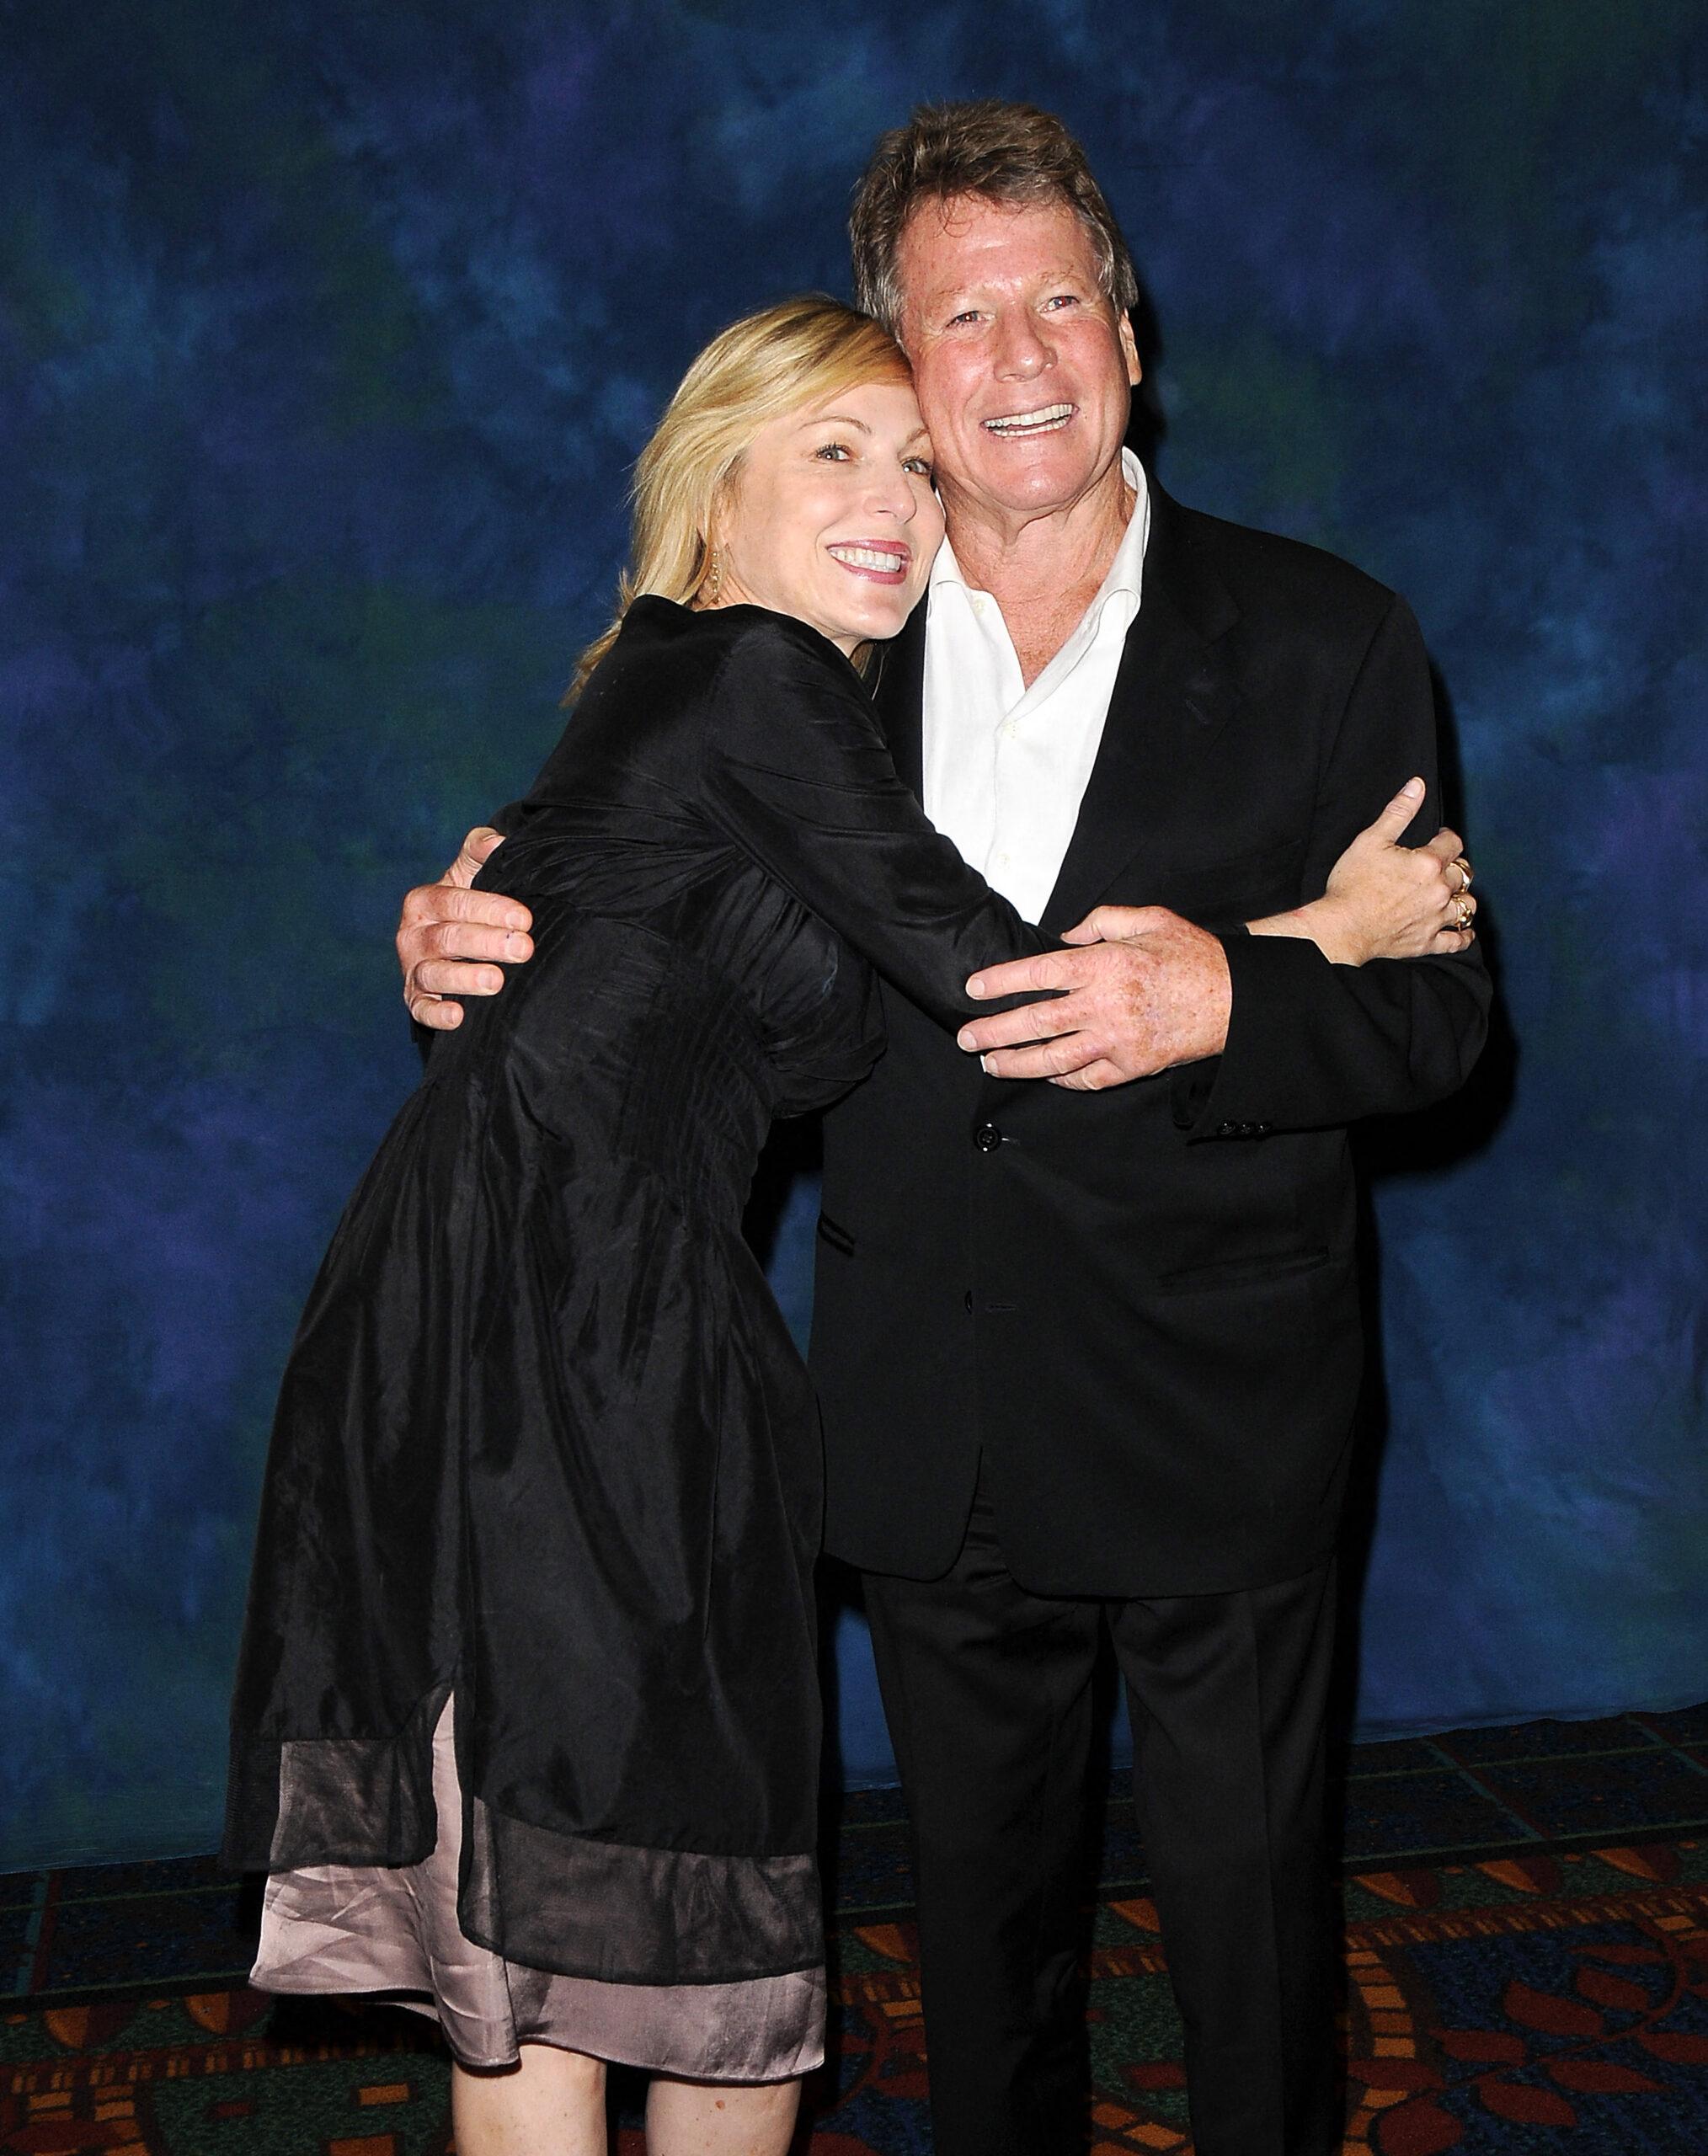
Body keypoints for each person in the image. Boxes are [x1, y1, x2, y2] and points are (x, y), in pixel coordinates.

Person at [398, 108, 1490, 2156]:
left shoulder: (1335, 631)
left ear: (1130, 332)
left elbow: (1444, 1016)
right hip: (920, 1418)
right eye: (961, 315)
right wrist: (467, 926)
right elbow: (633, 896)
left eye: (1059, 297)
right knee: (985, 1977)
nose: (1017, 355)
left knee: (1255, 1964)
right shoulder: (822, 645)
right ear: (904, 362)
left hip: (1220, 1408)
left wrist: (1243, 990)